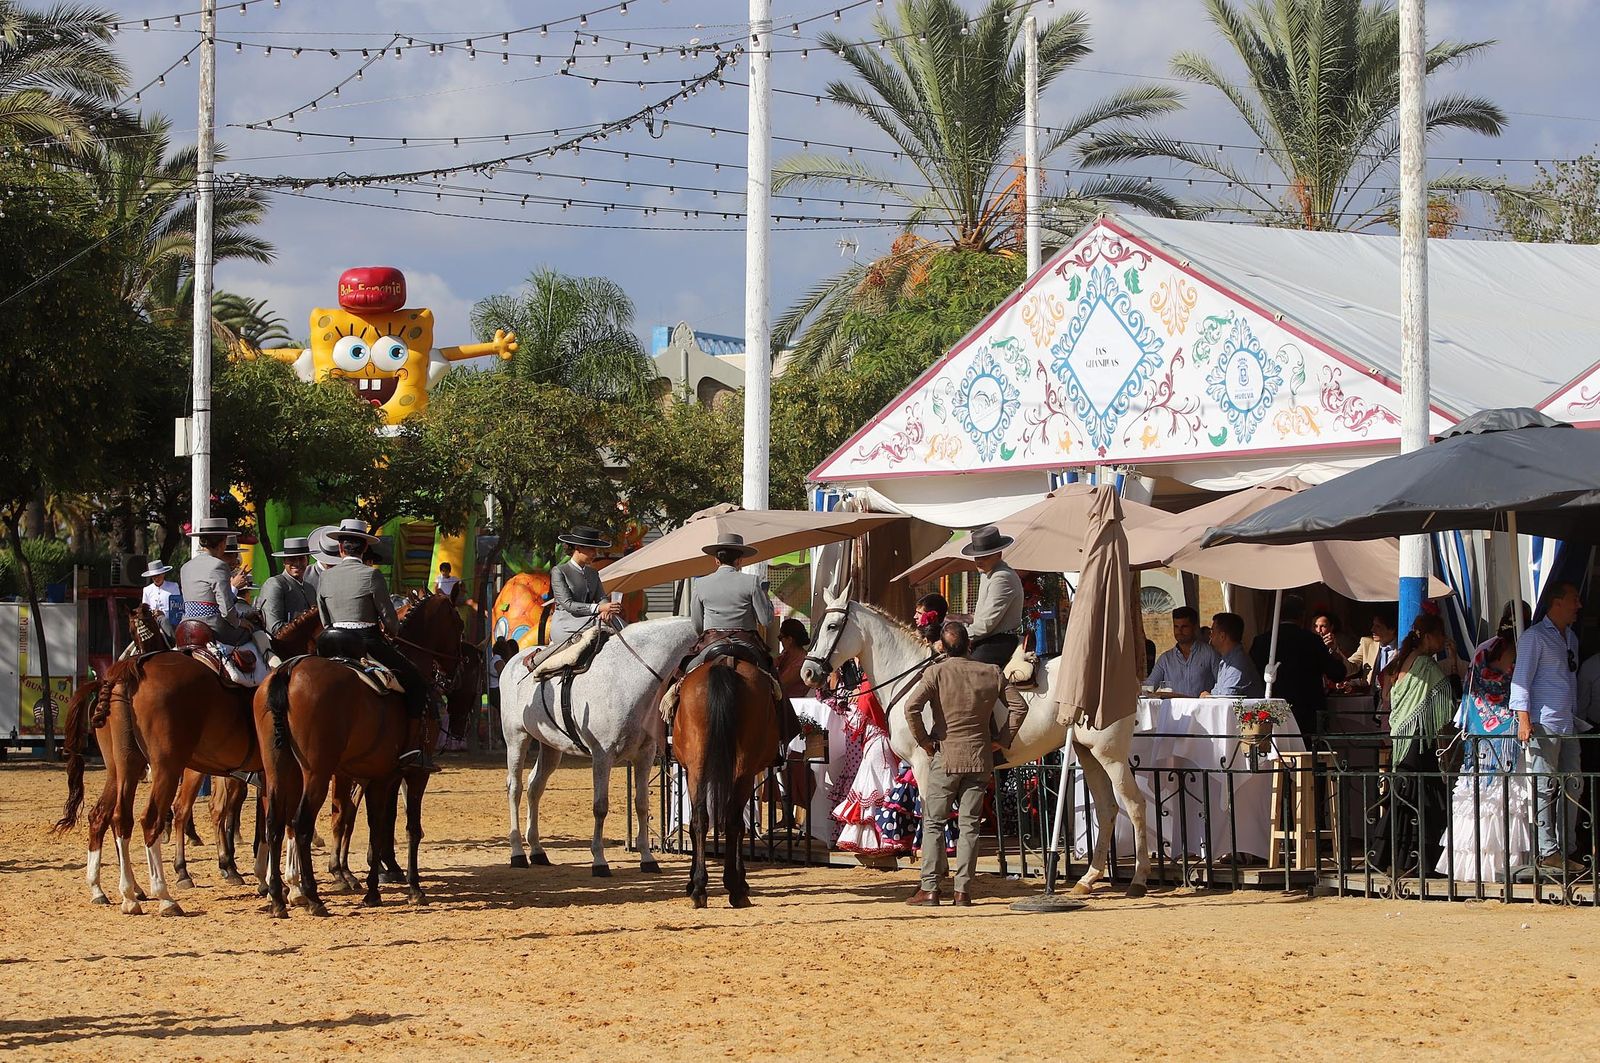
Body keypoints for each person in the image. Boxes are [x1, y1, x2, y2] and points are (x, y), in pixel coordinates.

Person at [899, 621, 1028, 907]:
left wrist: (924, 741)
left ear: (942, 647)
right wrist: (1002, 739)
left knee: (933, 822)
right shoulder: (991, 672)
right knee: (970, 825)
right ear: (969, 645)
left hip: (945, 756)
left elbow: (911, 707)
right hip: (979, 756)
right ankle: (963, 891)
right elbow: (1020, 707)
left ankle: (930, 888)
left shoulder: (935, 672)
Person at [315, 518, 431, 769]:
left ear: (341, 549)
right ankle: (411, 749)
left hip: (330, 644)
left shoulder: (325, 577)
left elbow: (325, 618)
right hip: (366, 644)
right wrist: (392, 628)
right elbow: (390, 622)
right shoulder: (372, 575)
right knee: (416, 683)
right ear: (364, 548)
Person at [686, 533, 797, 762]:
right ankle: (779, 741)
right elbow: (766, 620)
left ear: (717, 560)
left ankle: (668, 735)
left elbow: (696, 623)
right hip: (746, 643)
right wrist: (763, 596)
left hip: (711, 644)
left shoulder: (700, 583)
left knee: (680, 679)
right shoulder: (751, 582)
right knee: (774, 684)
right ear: (740, 561)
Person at [1369, 613, 1455, 875]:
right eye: (1440, 635)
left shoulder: (1401, 661)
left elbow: (1387, 695)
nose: (1443, 640)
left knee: (1406, 797)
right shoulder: (1427, 666)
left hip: (1403, 737)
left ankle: (1398, 858)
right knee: (1416, 797)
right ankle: (1415, 860)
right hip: (1418, 739)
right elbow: (1446, 697)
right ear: (1428, 637)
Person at [1511, 582, 1584, 874]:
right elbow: (1521, 679)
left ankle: (1566, 848)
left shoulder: (1571, 639)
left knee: (1574, 783)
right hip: (1544, 722)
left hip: (1568, 721)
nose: (1578, 605)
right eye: (1573, 599)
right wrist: (1524, 719)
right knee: (1544, 784)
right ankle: (1547, 849)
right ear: (1556, 603)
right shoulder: (1534, 637)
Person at [178, 517, 268, 665]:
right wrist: (240, 622)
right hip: (213, 627)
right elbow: (226, 610)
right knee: (256, 630)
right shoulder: (219, 565)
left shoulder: (185, 566)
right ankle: (266, 672)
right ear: (222, 542)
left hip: (186, 626)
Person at [1250, 595, 1344, 736]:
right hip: (1307, 713)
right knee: (1308, 755)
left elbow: (1252, 674)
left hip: (1272, 710)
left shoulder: (1261, 641)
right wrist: (1336, 656)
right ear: (1302, 616)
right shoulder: (1312, 641)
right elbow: (1337, 673)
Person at [548, 525, 619, 651]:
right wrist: (599, 608)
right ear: (577, 548)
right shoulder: (559, 571)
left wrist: (606, 610)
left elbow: (601, 597)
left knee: (620, 625)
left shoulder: (593, 573)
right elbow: (567, 604)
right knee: (603, 627)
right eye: (591, 549)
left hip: (590, 619)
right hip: (566, 623)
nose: (595, 554)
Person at [962, 525, 1023, 669]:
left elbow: (985, 625)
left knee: (966, 674)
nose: (979, 560)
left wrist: (958, 637)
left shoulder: (1001, 577)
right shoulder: (988, 574)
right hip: (989, 639)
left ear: (999, 554)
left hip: (999, 641)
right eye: (977, 556)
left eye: (985, 555)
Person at [1145, 606, 1219, 697]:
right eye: (1176, 626)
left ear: (1195, 627)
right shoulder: (1165, 659)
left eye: (1184, 627)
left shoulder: (1210, 653)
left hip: (1202, 710)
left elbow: (1221, 684)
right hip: (1174, 710)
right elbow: (1149, 686)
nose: (1179, 631)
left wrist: (1210, 695)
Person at [257, 536, 316, 641]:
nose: (297, 563)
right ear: (284, 561)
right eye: (292, 559)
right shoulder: (276, 584)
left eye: (301, 559)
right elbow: (274, 628)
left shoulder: (309, 588)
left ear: (308, 560)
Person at [1204, 612, 1263, 698]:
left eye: (1212, 631)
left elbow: (1226, 698)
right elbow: (1217, 691)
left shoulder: (1239, 662)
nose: (1210, 635)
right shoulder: (1225, 661)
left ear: (1222, 636)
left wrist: (1208, 697)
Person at [1347, 607, 1400, 687]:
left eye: (1378, 626)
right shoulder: (1367, 643)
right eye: (1373, 625)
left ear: (1392, 629)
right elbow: (1351, 666)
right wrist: (1335, 651)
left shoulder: (1402, 648)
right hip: (1372, 697)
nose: (1372, 629)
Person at [139, 561, 181, 637]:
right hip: (152, 621)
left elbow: (177, 608)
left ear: (163, 574)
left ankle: (175, 643)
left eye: (158, 575)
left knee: (164, 620)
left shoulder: (173, 586)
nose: (156, 578)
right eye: (153, 576)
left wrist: (164, 614)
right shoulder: (147, 589)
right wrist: (152, 614)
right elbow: (145, 609)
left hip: (169, 621)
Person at [776, 617, 813, 701]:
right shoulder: (786, 655)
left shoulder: (801, 663)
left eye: (780, 637)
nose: (780, 641)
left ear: (790, 639)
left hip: (793, 706)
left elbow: (778, 685)